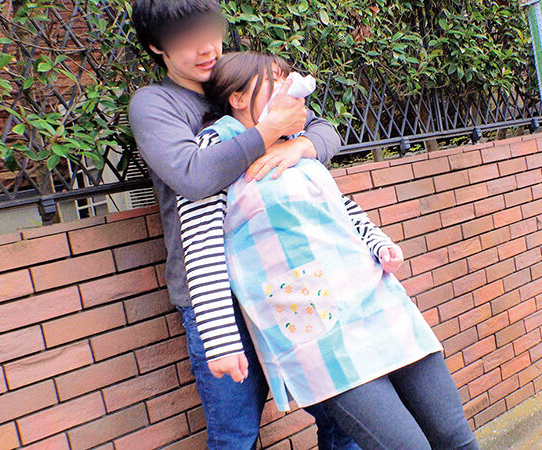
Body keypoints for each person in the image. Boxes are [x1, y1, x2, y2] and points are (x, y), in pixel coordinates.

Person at [184, 51, 478, 450]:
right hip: (318, 329)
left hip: (378, 303)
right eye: (275, 79)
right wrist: (220, 340)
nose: (290, 86)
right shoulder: (213, 149)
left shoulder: (295, 144)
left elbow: (340, 208)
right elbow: (202, 250)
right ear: (237, 97)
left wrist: (378, 243)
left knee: (455, 438)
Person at [128, 1, 359, 448]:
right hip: (215, 294)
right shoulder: (155, 104)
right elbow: (194, 176)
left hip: (286, 280)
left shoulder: (243, 79)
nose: (204, 47)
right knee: (236, 434)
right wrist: (269, 131)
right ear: (156, 46)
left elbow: (325, 131)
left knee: (342, 410)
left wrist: (299, 146)